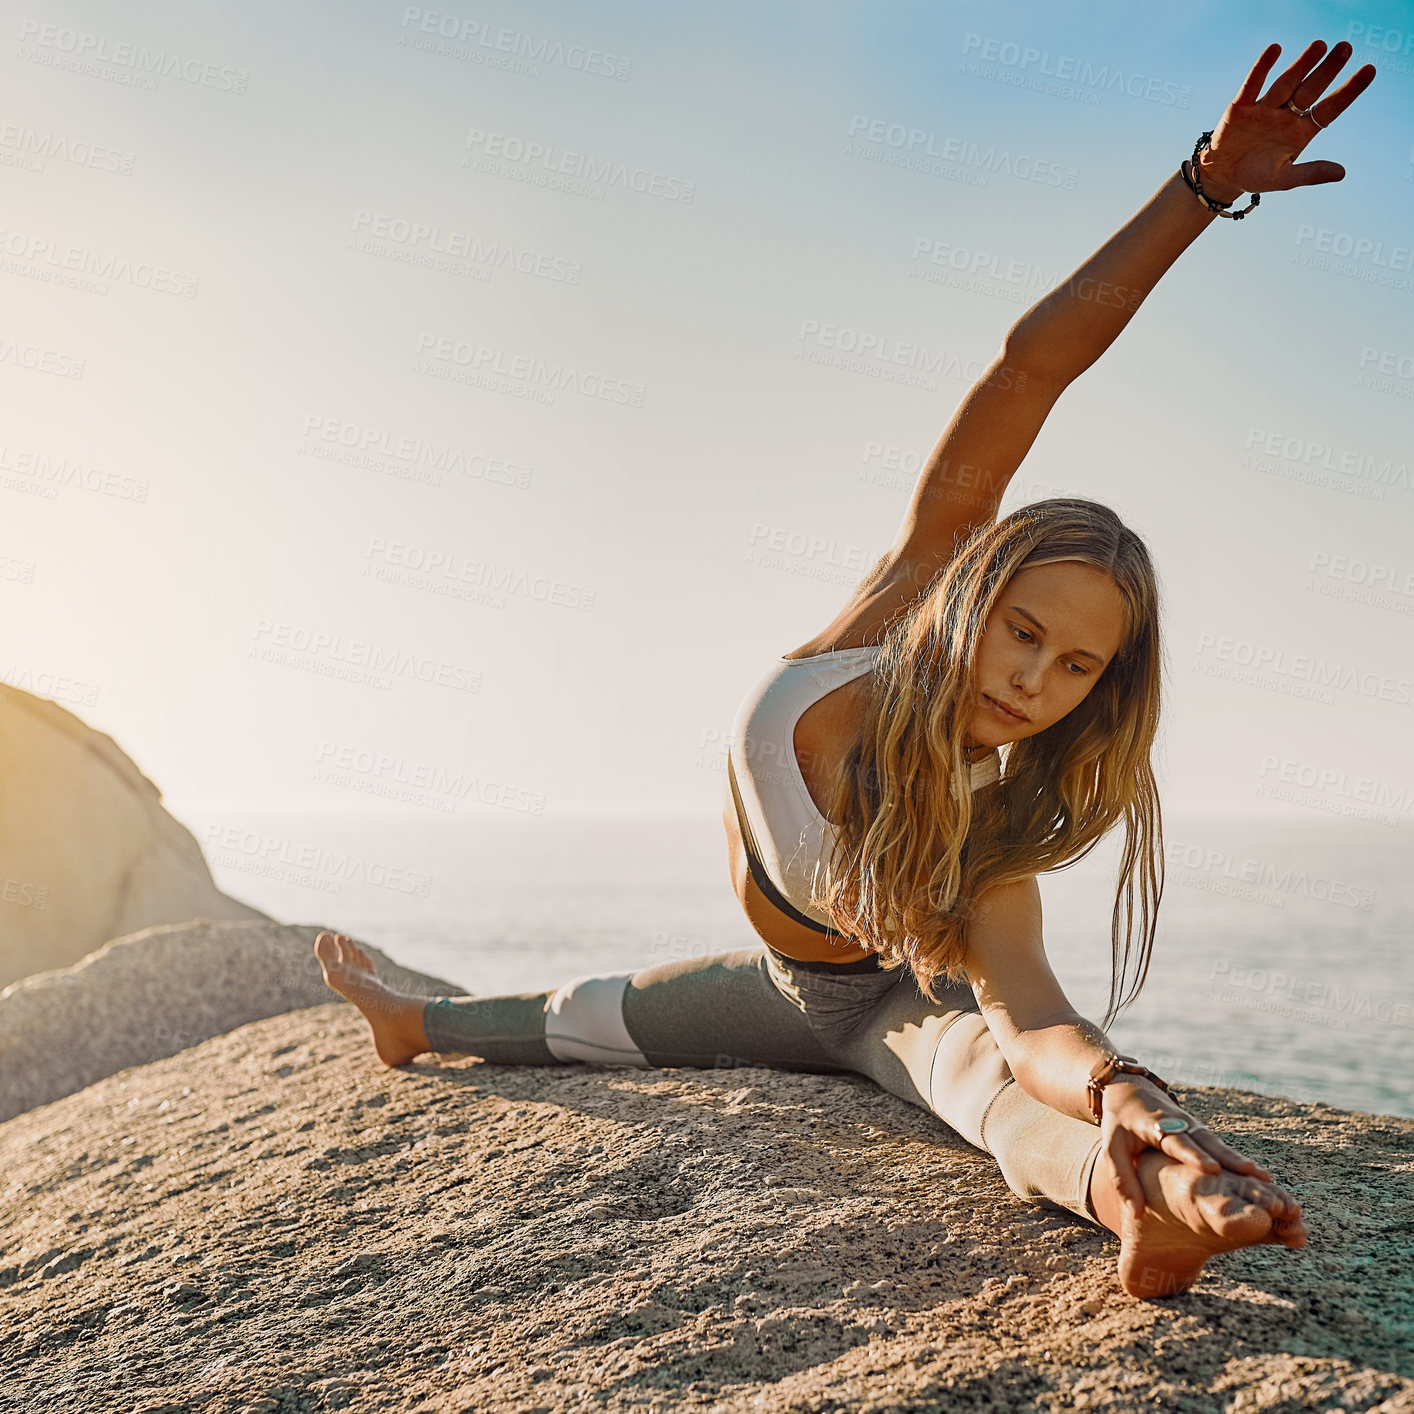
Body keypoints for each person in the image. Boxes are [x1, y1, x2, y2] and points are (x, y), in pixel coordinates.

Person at [316, 37, 1376, 1300]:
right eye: (1022, 631)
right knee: (572, 1019)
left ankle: (1160, 1200)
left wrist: (1122, 1087)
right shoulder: (897, 601)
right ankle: (409, 1021)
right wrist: (1200, 189)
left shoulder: (992, 836)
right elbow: (1032, 367)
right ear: (971, 595)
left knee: (988, 1096)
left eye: (1080, 666)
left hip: (887, 1007)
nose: (1034, 680)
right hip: (770, 986)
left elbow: (1030, 1018)